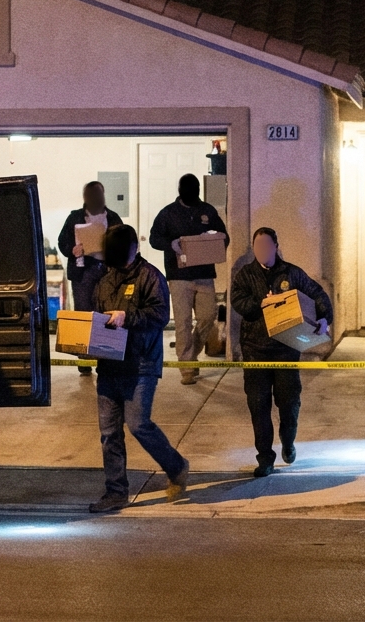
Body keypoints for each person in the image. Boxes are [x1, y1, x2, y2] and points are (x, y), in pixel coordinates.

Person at [88, 224, 191, 513]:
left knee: (138, 425)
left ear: (133, 249)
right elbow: (95, 315)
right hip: (109, 366)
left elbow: (160, 315)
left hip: (141, 364)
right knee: (109, 433)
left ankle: (177, 466)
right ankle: (116, 492)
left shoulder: (151, 277)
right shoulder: (105, 282)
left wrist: (127, 316)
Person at [230, 227, 333, 477]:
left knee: (288, 402)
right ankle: (265, 457)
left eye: (266, 246)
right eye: (258, 247)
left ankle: (288, 441)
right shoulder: (246, 275)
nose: (262, 251)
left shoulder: (291, 273)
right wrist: (260, 304)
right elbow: (238, 302)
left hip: (286, 349)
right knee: (258, 405)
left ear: (276, 246)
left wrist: (323, 318)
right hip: (255, 351)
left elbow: (317, 293)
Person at [148, 173, 230, 385]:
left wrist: (211, 242)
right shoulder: (168, 213)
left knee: (207, 316)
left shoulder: (207, 211)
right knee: (182, 322)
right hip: (179, 276)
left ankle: (191, 353)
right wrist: (171, 244)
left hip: (204, 274)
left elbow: (224, 237)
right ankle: (186, 367)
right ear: (180, 191)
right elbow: (154, 238)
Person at [57, 181, 124, 376]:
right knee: (84, 313)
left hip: (107, 272)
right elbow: (62, 242)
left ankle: (105, 358)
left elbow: (122, 241)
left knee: (106, 313)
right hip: (83, 272)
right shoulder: (74, 217)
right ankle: (85, 360)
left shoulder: (112, 217)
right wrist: (72, 249)